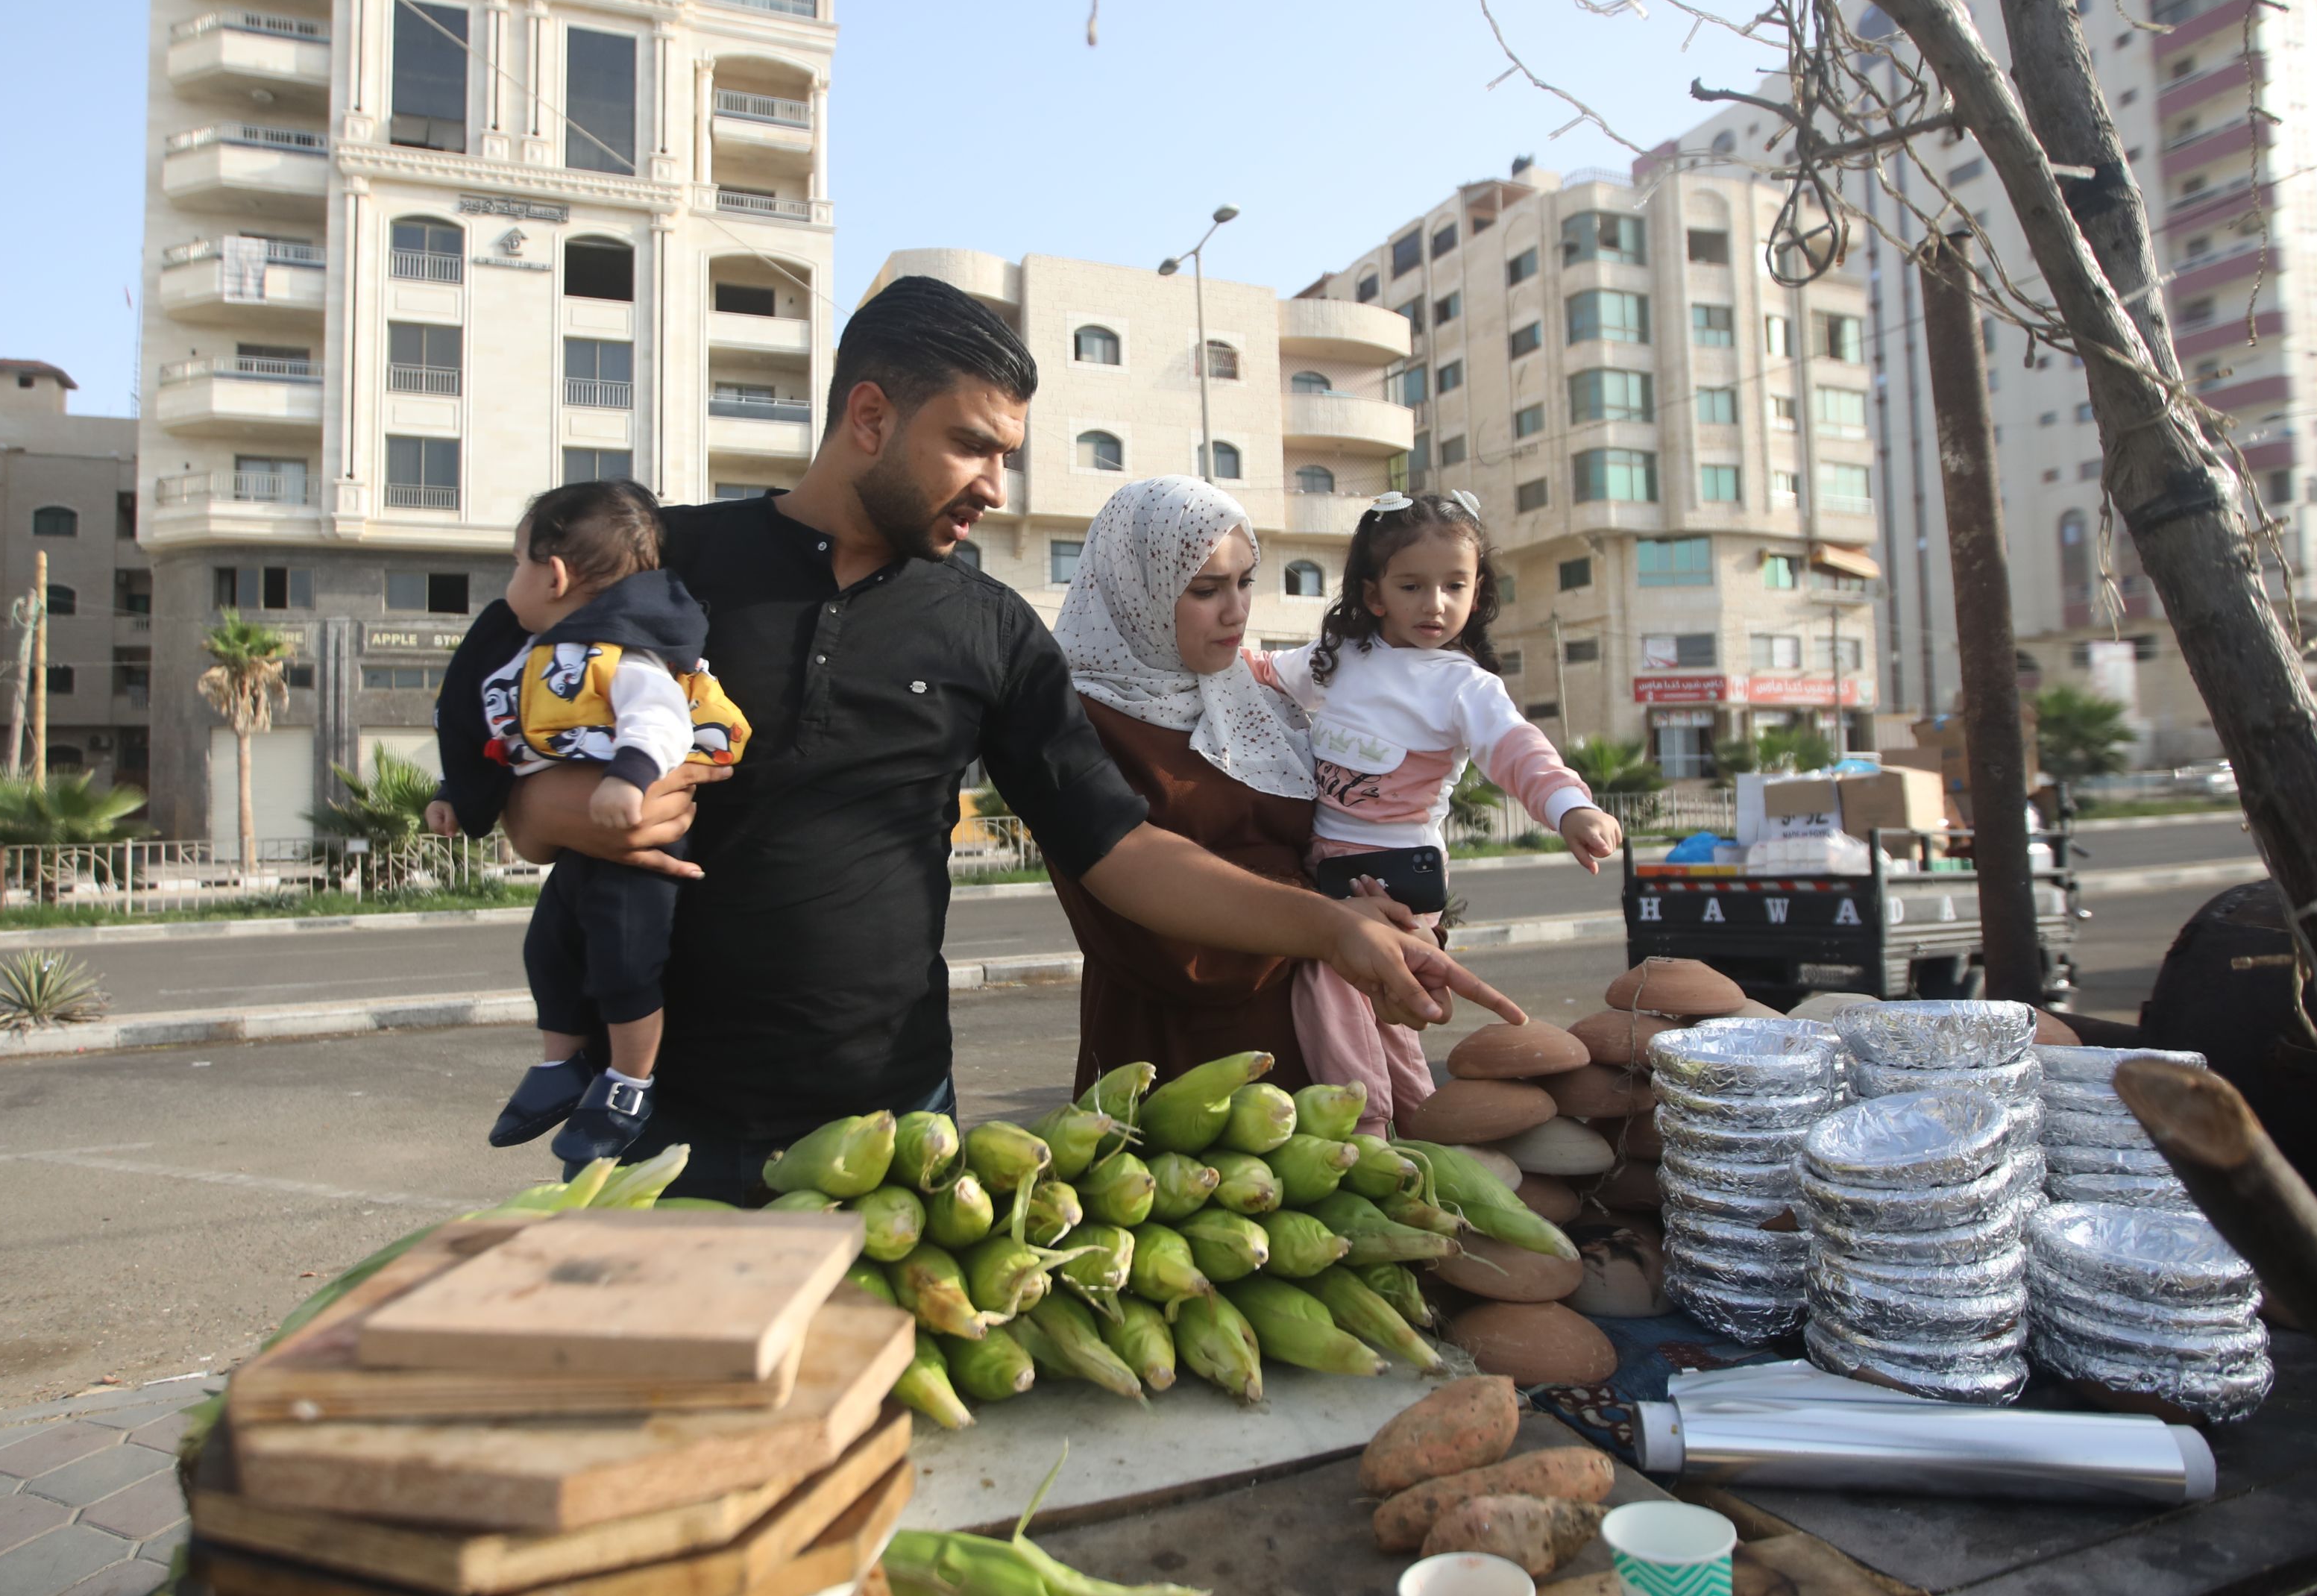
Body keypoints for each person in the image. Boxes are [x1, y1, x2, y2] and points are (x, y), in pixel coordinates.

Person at [448, 275, 1526, 1203]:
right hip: (653, 1107)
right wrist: (537, 811)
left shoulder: (992, 625)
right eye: (970, 444)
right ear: (869, 414)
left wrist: (1327, 929)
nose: (994, 486)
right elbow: (491, 718)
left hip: (890, 1117)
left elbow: (1121, 847)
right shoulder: (658, 557)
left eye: (1006, 453)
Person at [1249, 489, 1623, 1113]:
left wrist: (1568, 807)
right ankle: (1428, 1122)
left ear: (1478, 593)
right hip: (1323, 865)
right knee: (1387, 1009)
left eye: (1455, 585)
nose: (1436, 604)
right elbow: (1262, 672)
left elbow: (1517, 749)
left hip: (1400, 875)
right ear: (1374, 595)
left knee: (1331, 979)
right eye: (1412, 586)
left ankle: (1361, 1126)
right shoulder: (1339, 659)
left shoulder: (1464, 686)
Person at [440, 481, 752, 1164]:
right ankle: (562, 1065)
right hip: (584, 850)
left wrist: (629, 775)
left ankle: (628, 1082)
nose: (510, 583)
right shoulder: (541, 655)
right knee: (547, 950)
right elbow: (505, 735)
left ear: (553, 575)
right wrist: (454, 793)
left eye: (516, 563)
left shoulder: (623, 649)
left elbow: (662, 718)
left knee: (625, 963)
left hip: (641, 840)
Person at [1045, 474, 1375, 1100]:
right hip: (1176, 1063)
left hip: (1315, 1043)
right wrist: (1331, 920)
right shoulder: (1079, 721)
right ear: (1136, 591)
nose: (1237, 610)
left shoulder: (1257, 700)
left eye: (1245, 580)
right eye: (1205, 589)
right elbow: (1161, 941)